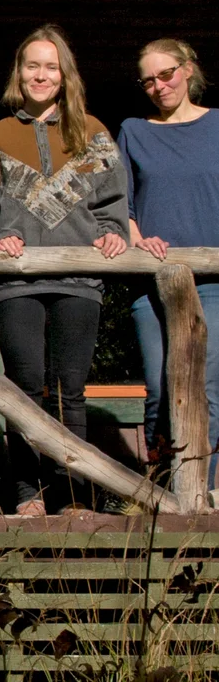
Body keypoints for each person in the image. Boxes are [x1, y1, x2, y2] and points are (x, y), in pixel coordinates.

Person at [0, 26, 129, 515]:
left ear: (65, 76)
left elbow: (113, 205)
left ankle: (73, 494)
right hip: (15, 282)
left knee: (70, 391)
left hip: (79, 279)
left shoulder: (93, 133)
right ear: (19, 73)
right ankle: (27, 493)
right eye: (32, 66)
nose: (41, 75)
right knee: (24, 386)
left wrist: (113, 232)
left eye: (50, 67)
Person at [119, 38, 219, 496]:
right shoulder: (134, 131)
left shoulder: (218, 125)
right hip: (153, 281)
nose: (159, 86)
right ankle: (163, 498)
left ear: (188, 69)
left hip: (215, 281)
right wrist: (136, 237)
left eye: (167, 74)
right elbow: (120, 205)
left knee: (210, 391)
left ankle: (206, 497)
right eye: (149, 80)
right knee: (160, 390)